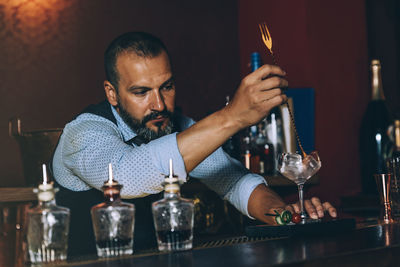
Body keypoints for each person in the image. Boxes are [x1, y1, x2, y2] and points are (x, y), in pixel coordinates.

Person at [52, 32, 336, 257]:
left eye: (167, 86)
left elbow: (236, 183)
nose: (159, 104)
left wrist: (289, 216)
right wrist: (232, 117)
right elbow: (127, 177)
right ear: (112, 93)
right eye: (141, 92)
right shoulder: (84, 133)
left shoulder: (176, 126)